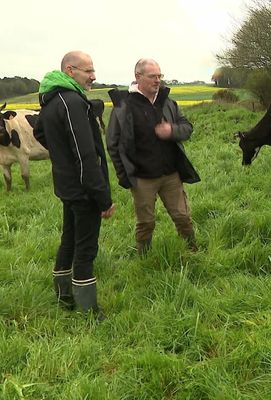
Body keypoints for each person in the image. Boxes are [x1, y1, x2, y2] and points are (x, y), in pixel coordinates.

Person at [34, 50, 116, 319]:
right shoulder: (72, 102)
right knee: (86, 247)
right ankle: (89, 310)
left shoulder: (51, 100)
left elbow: (39, 132)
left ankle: (63, 296)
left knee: (68, 239)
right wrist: (103, 197)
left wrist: (62, 157)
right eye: (88, 71)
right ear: (70, 71)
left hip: (67, 186)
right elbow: (86, 154)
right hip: (83, 189)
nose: (93, 76)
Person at [107, 58, 200, 255]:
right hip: (142, 178)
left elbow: (187, 128)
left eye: (160, 76)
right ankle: (144, 256)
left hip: (171, 174)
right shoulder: (124, 107)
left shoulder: (167, 102)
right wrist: (125, 175)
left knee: (183, 216)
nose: (158, 80)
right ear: (138, 77)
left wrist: (172, 130)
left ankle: (192, 250)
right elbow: (113, 144)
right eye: (152, 76)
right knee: (146, 222)